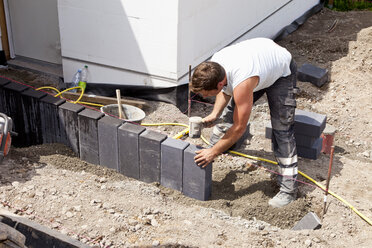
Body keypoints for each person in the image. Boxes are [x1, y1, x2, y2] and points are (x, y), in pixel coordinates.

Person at [190, 37, 298, 208]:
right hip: (258, 65)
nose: (204, 97)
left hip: (280, 71)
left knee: (282, 130)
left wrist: (212, 152)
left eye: (206, 93)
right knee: (228, 115)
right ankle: (220, 149)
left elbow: (240, 127)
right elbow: (224, 90)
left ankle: (289, 190)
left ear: (218, 83)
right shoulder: (215, 65)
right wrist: (215, 113)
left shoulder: (242, 81)